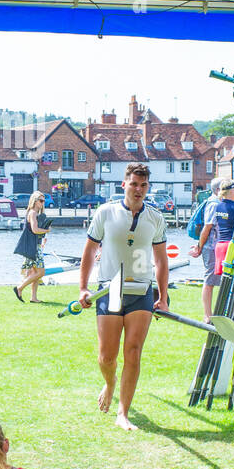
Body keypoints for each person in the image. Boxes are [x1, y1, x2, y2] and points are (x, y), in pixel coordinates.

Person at [77, 162, 169, 431]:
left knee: (133, 352)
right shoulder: (105, 212)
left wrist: (162, 297)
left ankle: (123, 412)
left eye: (143, 185)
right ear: (124, 184)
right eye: (134, 184)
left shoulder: (155, 218)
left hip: (140, 290)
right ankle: (109, 382)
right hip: (110, 289)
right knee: (107, 356)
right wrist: (83, 288)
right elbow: (89, 251)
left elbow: (161, 261)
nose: (138, 190)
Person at [190, 177, 222, 320]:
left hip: (216, 247)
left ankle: (214, 313)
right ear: (218, 190)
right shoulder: (213, 204)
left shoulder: (219, 203)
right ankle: (207, 315)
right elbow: (207, 227)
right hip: (211, 247)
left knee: (214, 280)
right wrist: (199, 247)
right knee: (209, 280)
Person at [13, 191, 51, 304]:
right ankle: (19, 288)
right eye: (41, 201)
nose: (43, 203)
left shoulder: (33, 213)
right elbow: (35, 230)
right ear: (34, 201)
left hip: (35, 245)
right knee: (41, 272)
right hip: (34, 247)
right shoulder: (33, 213)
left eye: (44, 201)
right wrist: (47, 230)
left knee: (34, 273)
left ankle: (33, 298)